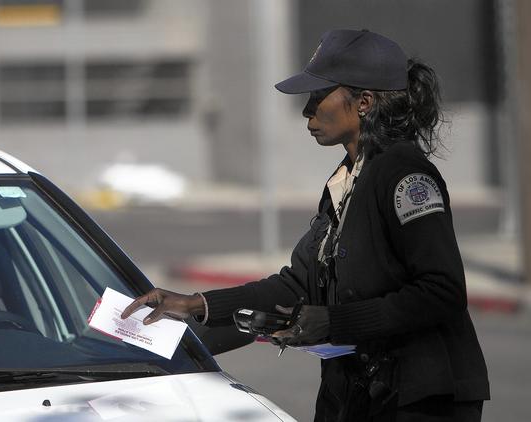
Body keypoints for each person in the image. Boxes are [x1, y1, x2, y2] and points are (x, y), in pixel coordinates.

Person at [121, 29, 490, 421]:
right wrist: (197, 305)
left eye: (318, 96)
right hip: (360, 390)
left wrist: (334, 322)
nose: (306, 111)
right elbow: (298, 284)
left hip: (420, 398)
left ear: (364, 102)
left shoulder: (406, 176)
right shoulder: (348, 177)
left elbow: (441, 291)